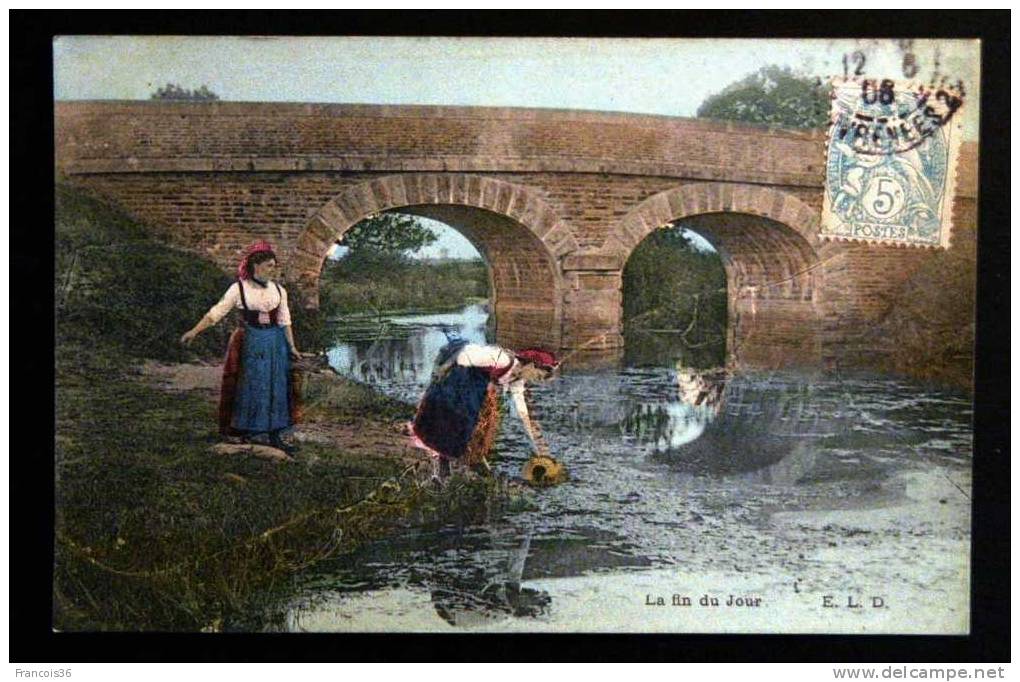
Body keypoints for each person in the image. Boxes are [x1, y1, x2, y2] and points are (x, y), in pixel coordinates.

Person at [180, 240, 301, 452]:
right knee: (251, 383)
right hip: (250, 340)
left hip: (275, 342)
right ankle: (246, 430)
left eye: (274, 266)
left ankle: (275, 432)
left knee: (275, 384)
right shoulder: (238, 289)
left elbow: (285, 320)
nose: (272, 270)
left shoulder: (279, 290)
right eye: (268, 266)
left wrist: (291, 347)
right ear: (255, 266)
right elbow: (216, 313)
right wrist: (194, 331)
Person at [410, 338, 559, 479]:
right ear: (532, 365)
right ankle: (443, 463)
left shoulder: (517, 379)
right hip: (459, 376)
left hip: (474, 388)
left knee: (466, 426)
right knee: (449, 417)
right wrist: (443, 369)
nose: (535, 379)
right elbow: (465, 354)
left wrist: (535, 448)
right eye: (538, 375)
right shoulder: (502, 359)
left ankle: (449, 464)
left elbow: (521, 412)